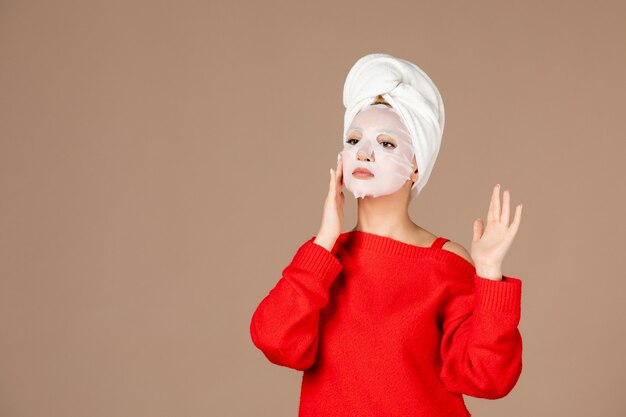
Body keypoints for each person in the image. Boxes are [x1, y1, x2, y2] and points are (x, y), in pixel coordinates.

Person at [250, 53, 524, 417]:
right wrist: (324, 241)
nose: (363, 153)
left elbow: (487, 379)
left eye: (386, 143)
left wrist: (488, 272)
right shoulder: (323, 260)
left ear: (416, 165)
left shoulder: (445, 262)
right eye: (353, 140)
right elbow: (275, 341)